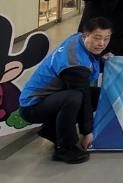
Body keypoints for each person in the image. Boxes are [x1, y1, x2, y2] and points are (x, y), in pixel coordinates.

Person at [19, 17, 112, 164]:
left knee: (99, 95)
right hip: (32, 106)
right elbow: (83, 98)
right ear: (86, 35)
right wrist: (86, 132)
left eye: (106, 38)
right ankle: (64, 148)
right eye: (97, 38)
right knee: (74, 98)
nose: (102, 43)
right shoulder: (75, 64)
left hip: (53, 97)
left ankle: (51, 129)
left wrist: (103, 60)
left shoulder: (77, 39)